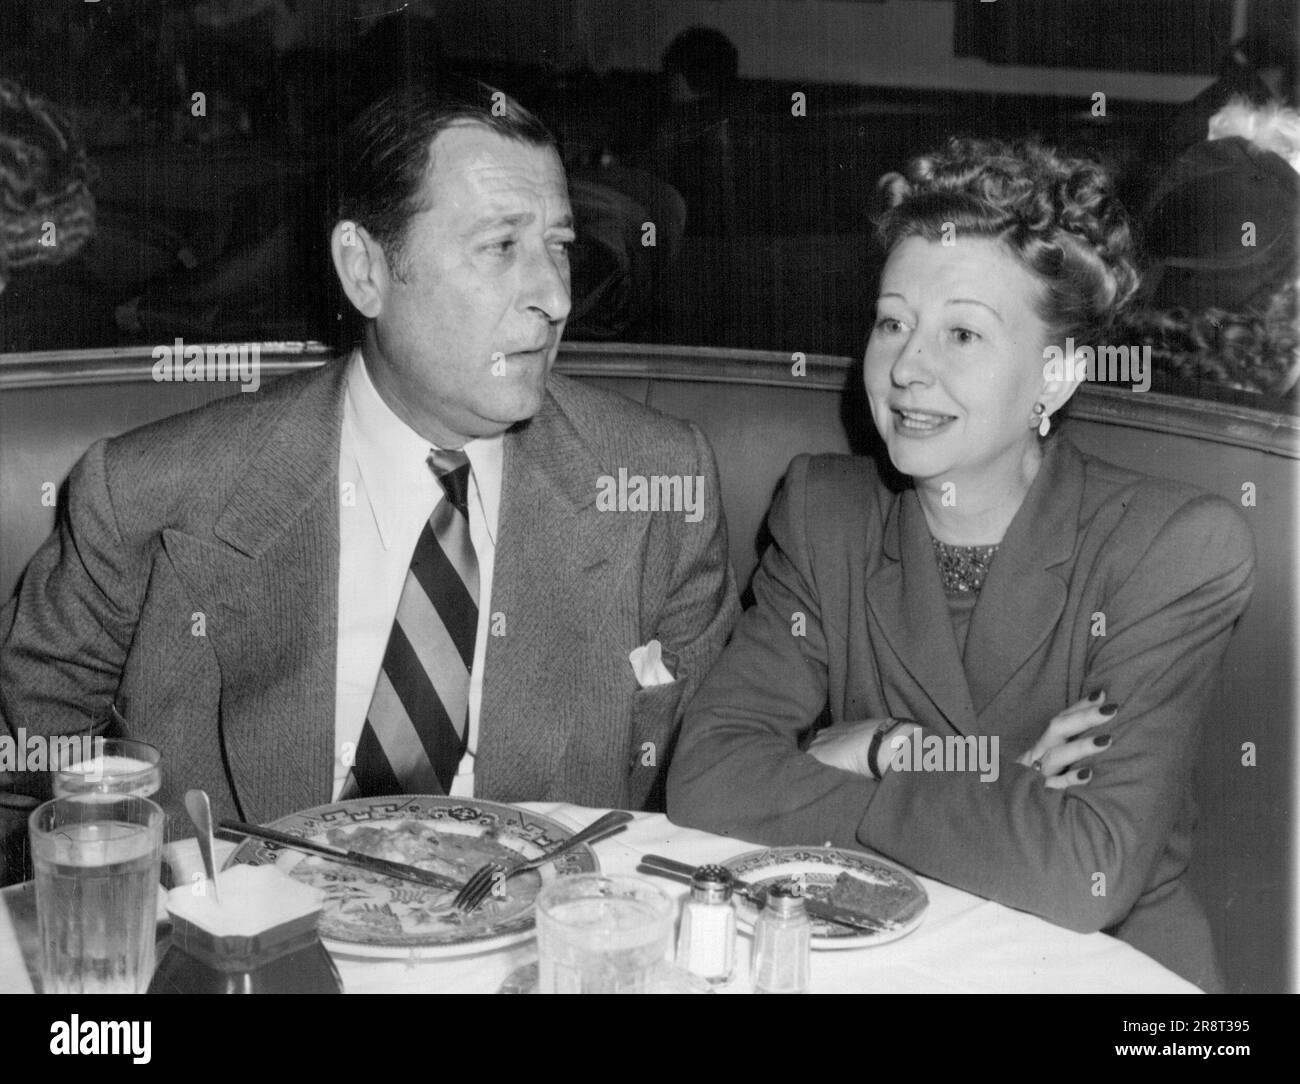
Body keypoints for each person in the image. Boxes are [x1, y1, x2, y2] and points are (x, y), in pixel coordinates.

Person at [0, 82, 738, 880]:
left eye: (560, 245)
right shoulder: (151, 496)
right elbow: (23, 776)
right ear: (365, 271)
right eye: (501, 247)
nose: (556, 297)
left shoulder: (661, 486)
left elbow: (707, 787)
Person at [667, 138, 1255, 992]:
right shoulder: (825, 511)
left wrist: (865, 757)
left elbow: (1084, 870)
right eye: (893, 321)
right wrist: (954, 769)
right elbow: (706, 775)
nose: (907, 367)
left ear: (1055, 374)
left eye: (963, 332)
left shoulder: (1172, 547)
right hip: (878, 952)